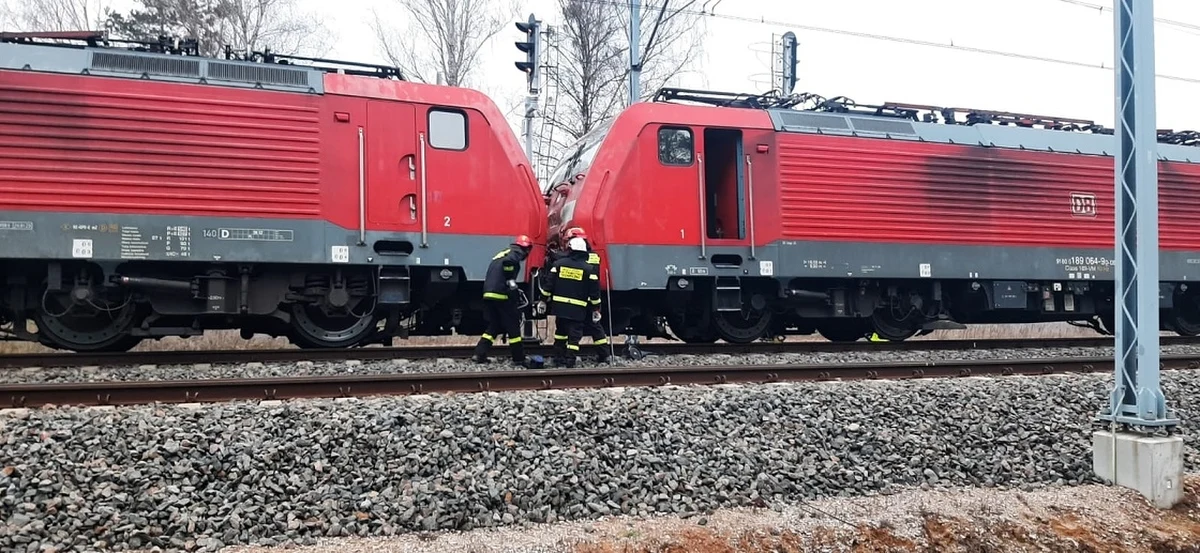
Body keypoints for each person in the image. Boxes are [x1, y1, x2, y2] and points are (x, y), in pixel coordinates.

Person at [549, 227, 611, 362]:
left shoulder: (579, 259)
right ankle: (604, 355)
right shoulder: (592, 256)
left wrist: (553, 254)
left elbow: (570, 261)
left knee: (567, 330)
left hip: (582, 300)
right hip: (586, 299)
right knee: (595, 328)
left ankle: (562, 356)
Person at [538, 236, 601, 367]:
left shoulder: (558, 265)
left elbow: (548, 286)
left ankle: (558, 358)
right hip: (578, 310)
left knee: (560, 333)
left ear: (570, 249)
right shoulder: (589, 270)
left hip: (559, 308)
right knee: (574, 336)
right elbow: (594, 294)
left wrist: (543, 301)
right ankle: (570, 361)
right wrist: (596, 309)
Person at [472, 235, 534, 366]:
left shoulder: (503, 253)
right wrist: (512, 283)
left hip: (489, 292)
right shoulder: (515, 254)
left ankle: (479, 354)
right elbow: (508, 264)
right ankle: (519, 358)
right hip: (501, 295)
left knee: (495, 325)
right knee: (513, 327)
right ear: (526, 249)